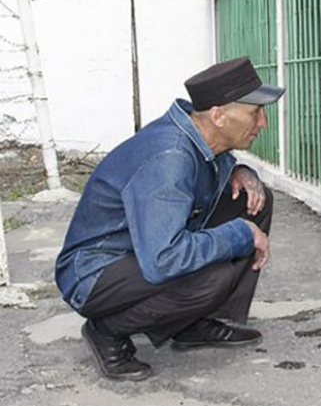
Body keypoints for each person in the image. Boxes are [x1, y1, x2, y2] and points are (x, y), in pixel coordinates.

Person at [55, 56, 284, 382]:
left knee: (254, 201)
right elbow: (165, 257)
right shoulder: (169, 156)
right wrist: (241, 235)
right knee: (211, 277)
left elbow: (210, 166)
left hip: (140, 249)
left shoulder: (198, 135)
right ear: (218, 115)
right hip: (94, 274)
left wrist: (239, 170)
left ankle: (192, 324)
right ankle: (106, 330)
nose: (263, 123)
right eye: (254, 113)